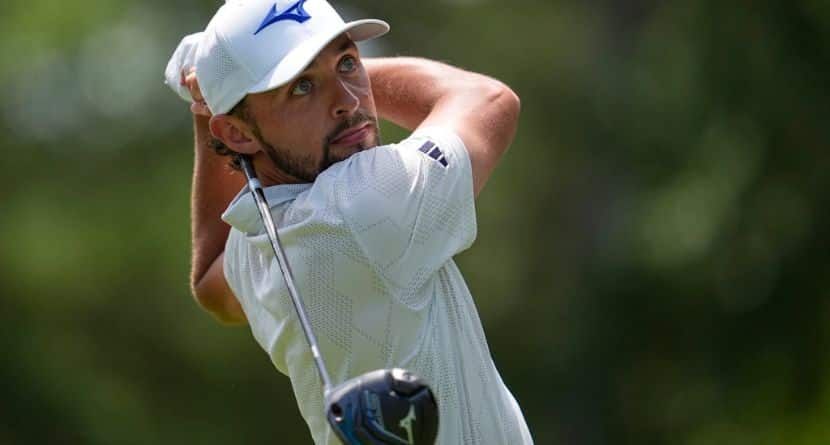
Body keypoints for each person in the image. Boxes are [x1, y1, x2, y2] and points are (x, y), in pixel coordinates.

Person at [165, 0, 532, 443]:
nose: (348, 100)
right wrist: (224, 97)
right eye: (302, 87)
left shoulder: (258, 238)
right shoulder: (366, 201)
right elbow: (489, 100)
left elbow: (211, 283)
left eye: (347, 62)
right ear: (238, 134)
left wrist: (214, 109)